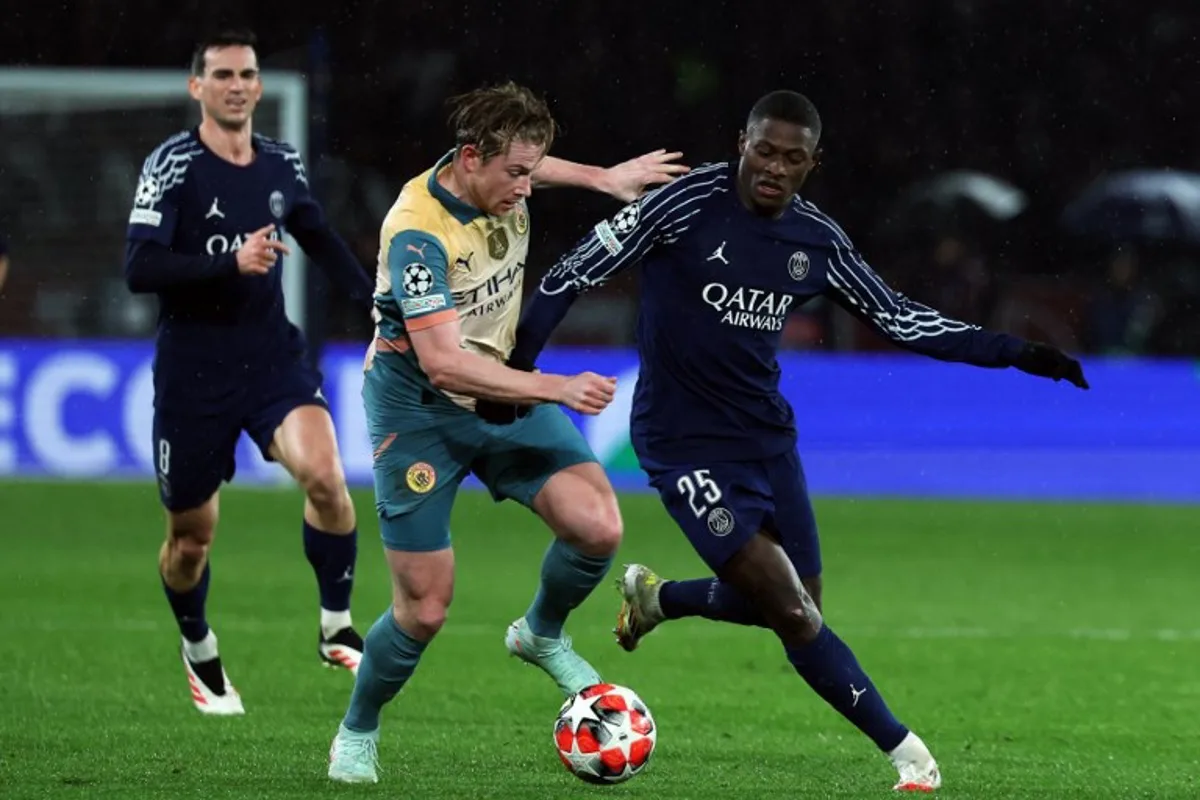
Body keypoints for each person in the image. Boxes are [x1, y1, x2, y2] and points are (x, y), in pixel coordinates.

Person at [505, 90, 1089, 792]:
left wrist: (1018, 354)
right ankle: (907, 753)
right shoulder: (683, 205)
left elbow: (903, 319)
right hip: (680, 442)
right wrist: (517, 376)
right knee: (791, 611)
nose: (774, 167)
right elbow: (573, 272)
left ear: (814, 163)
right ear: (741, 142)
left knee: (797, 604)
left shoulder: (816, 240)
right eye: (764, 150)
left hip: (765, 440)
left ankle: (660, 599)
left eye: (792, 157)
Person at [325, 81, 688, 784]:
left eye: (532, 171)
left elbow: (535, 164)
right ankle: (357, 730)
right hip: (421, 411)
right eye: (516, 174)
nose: (526, 189)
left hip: (498, 389)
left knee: (597, 527)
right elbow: (443, 363)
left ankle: (540, 635)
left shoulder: (495, 171)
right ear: (469, 159)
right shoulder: (417, 233)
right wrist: (558, 388)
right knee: (425, 608)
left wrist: (601, 178)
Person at [124, 29, 377, 716]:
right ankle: (198, 644)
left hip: (270, 358)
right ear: (197, 87)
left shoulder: (282, 163)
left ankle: (334, 625)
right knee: (190, 539)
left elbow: (318, 235)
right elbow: (139, 268)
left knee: (326, 476)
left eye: (247, 74)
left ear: (261, 86)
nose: (237, 85)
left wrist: (375, 306)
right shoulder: (172, 166)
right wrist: (227, 263)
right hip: (193, 372)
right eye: (223, 74)